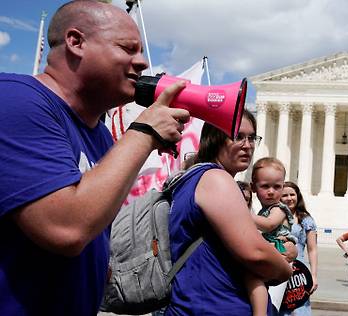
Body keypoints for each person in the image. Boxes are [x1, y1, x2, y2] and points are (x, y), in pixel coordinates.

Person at [0, 1, 190, 315]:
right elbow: (66, 229)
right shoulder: (16, 100)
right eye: (128, 49)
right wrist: (143, 132)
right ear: (76, 43)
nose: (142, 63)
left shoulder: (101, 136)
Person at [166, 113, 294, 316]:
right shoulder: (216, 179)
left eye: (252, 137)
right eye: (238, 136)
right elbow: (256, 254)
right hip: (217, 306)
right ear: (215, 138)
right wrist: (286, 270)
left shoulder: (195, 177)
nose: (247, 145)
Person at [248, 157, 296, 316]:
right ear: (253, 187)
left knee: (255, 282)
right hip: (273, 252)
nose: (271, 191)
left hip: (279, 252)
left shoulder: (279, 209)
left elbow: (268, 225)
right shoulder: (264, 210)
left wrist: (243, 214)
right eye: (265, 186)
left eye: (277, 187)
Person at [279, 181, 319, 316]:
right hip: (277, 270)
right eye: (285, 195)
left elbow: (312, 249)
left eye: (292, 194)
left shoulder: (306, 220)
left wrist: (313, 275)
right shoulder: (274, 218)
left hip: (299, 273)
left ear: (298, 196)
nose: (289, 198)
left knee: (300, 309)